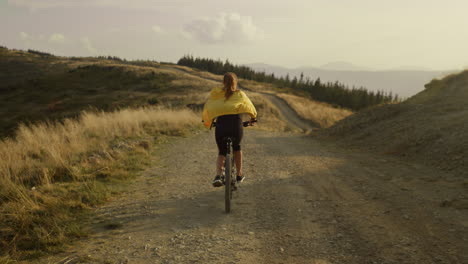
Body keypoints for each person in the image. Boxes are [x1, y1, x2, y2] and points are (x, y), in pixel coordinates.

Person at [202, 72, 257, 187]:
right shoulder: (240, 94)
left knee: (222, 151)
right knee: (237, 147)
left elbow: (208, 107)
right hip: (235, 126)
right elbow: (250, 107)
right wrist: (253, 119)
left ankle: (218, 175)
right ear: (235, 83)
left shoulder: (216, 94)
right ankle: (239, 174)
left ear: (223, 82)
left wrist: (208, 122)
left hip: (221, 126)